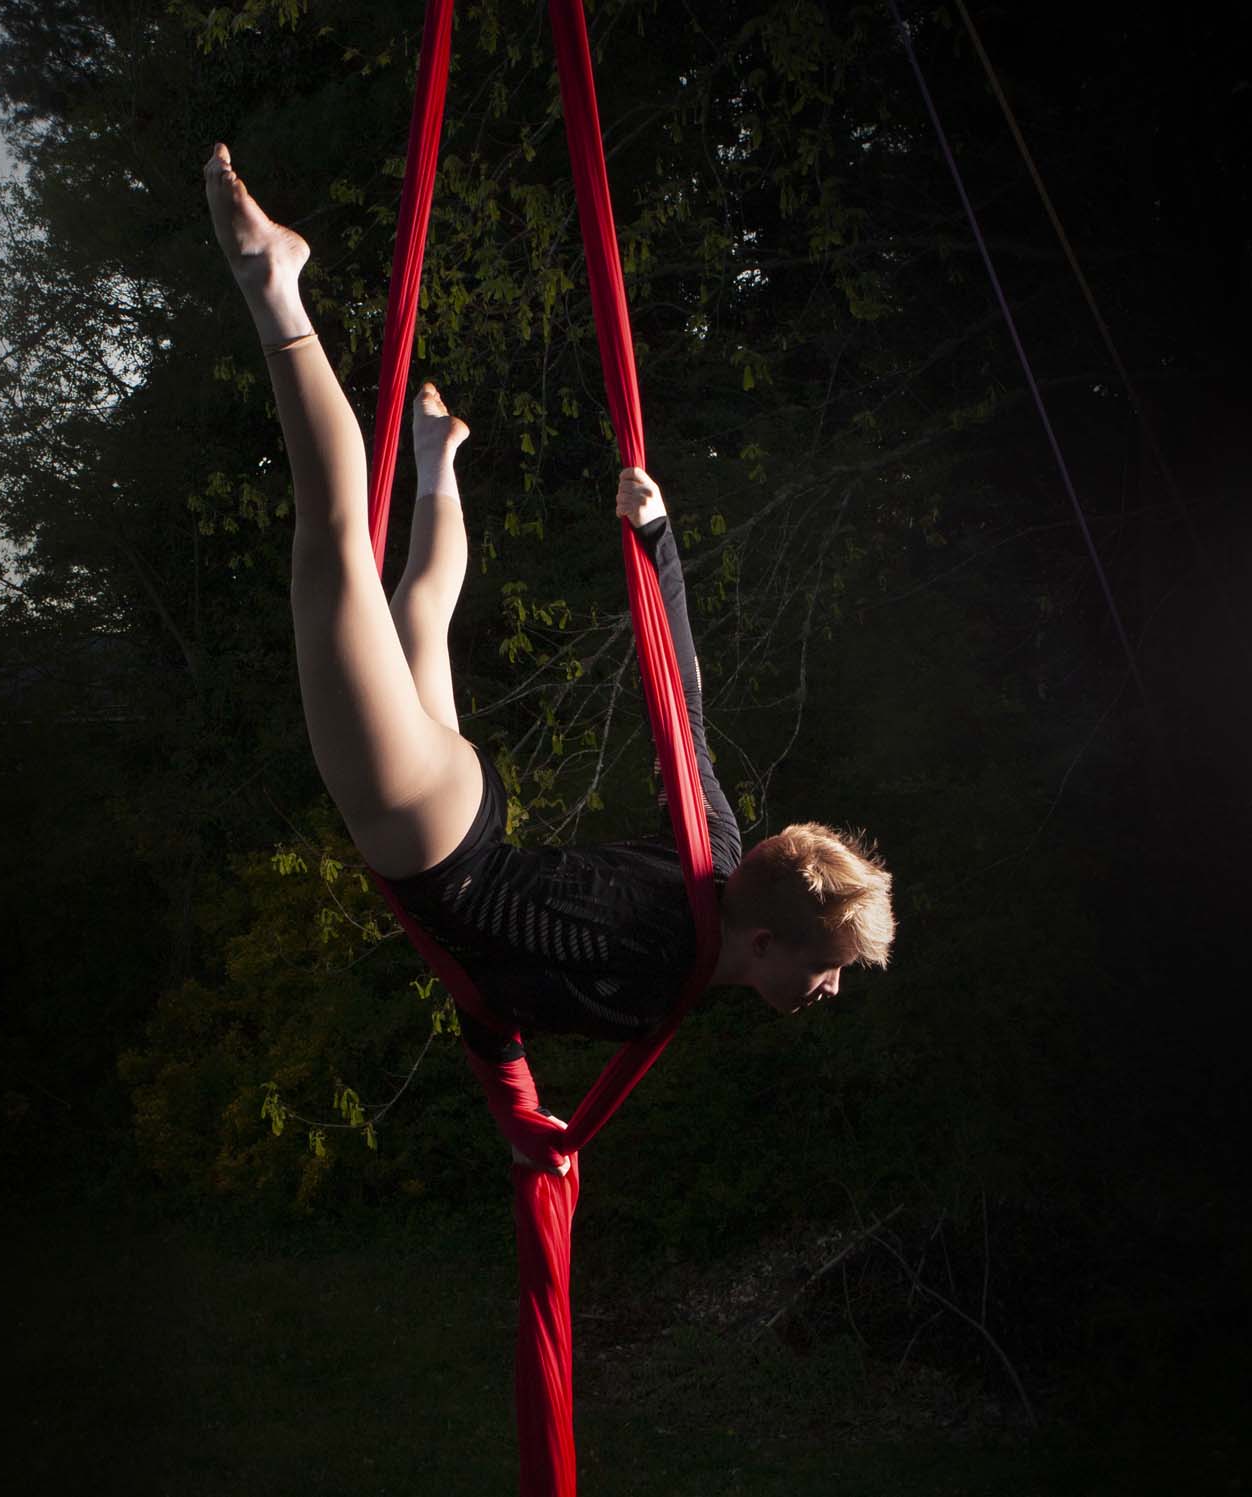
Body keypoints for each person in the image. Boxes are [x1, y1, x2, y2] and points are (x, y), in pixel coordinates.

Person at [204, 144, 895, 1165]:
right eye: (828, 970)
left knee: (416, 617)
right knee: (335, 558)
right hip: (436, 844)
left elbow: (683, 698)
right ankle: (276, 290)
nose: (829, 991)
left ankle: (441, 464)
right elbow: (500, 1002)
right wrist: (526, 1124)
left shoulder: (714, 844)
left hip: (472, 819)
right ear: (763, 946)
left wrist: (660, 545)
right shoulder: (655, 987)